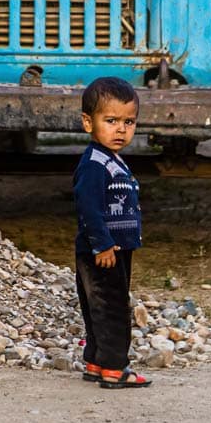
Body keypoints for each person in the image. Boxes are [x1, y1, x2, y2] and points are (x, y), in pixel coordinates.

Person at [73, 76, 152, 389]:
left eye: (129, 121)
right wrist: (102, 245)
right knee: (113, 308)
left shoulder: (111, 159)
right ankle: (115, 368)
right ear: (88, 123)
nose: (121, 129)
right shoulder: (94, 164)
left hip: (114, 248)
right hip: (103, 251)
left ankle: (96, 360)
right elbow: (88, 208)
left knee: (99, 306)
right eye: (111, 120)